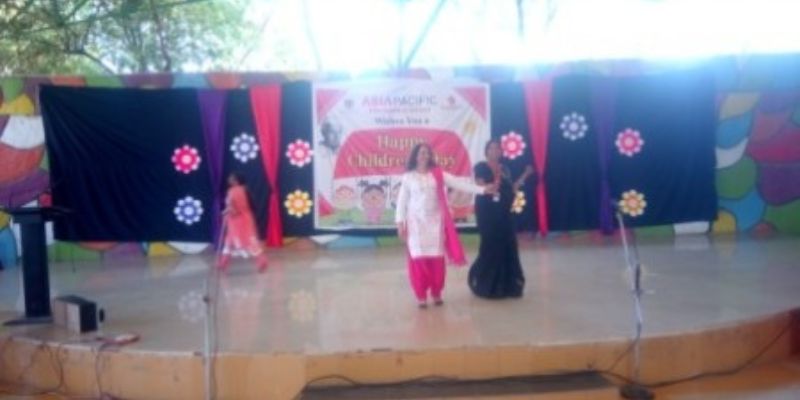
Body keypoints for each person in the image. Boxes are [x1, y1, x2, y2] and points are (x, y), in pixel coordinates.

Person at [395, 143, 496, 308]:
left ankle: (436, 292)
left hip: (435, 223)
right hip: (416, 225)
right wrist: (400, 223)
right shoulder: (408, 177)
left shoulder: (438, 174)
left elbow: (460, 184)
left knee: (436, 259)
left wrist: (482, 190)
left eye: (427, 153)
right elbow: (402, 202)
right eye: (421, 153)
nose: (424, 156)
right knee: (418, 260)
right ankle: (421, 295)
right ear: (415, 156)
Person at [468, 140, 533, 298]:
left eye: (497, 148)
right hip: (487, 212)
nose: (495, 150)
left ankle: (507, 286)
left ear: (501, 152)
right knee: (490, 245)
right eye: (491, 148)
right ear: (486, 151)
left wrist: (525, 175)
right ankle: (487, 284)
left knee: (508, 244)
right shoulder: (480, 167)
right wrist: (489, 186)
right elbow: (479, 184)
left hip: (504, 212)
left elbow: (512, 188)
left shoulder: (505, 169)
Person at [217, 173, 268, 273]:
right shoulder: (245, 190)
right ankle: (261, 261)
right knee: (251, 240)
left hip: (236, 221)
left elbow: (233, 209)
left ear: (236, 181)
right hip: (247, 218)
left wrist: (226, 212)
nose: (229, 179)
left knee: (229, 241)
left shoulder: (232, 191)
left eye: (231, 178)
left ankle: (223, 263)